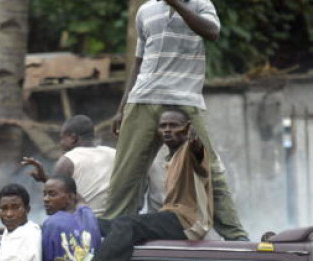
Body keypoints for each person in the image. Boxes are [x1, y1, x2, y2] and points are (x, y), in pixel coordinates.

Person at [105, 0, 248, 241]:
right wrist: (122, 107)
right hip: (143, 99)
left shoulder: (202, 5)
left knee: (210, 169)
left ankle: (237, 237)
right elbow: (139, 61)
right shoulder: (145, 11)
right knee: (126, 174)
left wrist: (177, 5)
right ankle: (109, 237)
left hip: (186, 99)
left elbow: (212, 32)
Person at [56, 108, 213, 261]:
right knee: (102, 225)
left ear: (187, 129)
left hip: (188, 221)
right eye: (163, 126)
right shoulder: (170, 157)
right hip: (171, 217)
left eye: (173, 126)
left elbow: (199, 157)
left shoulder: (190, 151)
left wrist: (195, 144)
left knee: (127, 223)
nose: (167, 130)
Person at [21, 115, 115, 217]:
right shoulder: (113, 153)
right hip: (114, 220)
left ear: (73, 138)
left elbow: (57, 198)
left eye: (62, 138)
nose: (60, 144)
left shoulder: (68, 160)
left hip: (84, 224)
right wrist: (45, 178)